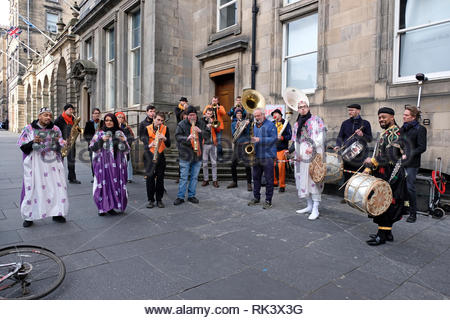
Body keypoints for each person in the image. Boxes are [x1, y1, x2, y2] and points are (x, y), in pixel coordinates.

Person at [363, 107, 408, 245]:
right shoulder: (387, 132)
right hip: (385, 171)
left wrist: (372, 162)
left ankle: (381, 236)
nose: (381, 119)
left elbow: (391, 154)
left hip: (391, 173)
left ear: (392, 117)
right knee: (386, 201)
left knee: (383, 202)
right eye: (379, 117)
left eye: (384, 117)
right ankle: (387, 233)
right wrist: (370, 168)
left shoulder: (395, 133)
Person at [18, 107, 68, 227]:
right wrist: (33, 142)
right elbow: (22, 146)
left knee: (57, 186)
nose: (48, 118)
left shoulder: (55, 129)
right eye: (45, 115)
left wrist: (61, 142)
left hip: (52, 163)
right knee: (32, 187)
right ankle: (29, 216)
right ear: (39, 116)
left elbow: (61, 144)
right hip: (35, 163)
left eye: (50, 115)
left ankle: (58, 212)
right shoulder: (28, 129)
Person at [288, 100, 325, 220]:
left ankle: (315, 208)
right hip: (301, 154)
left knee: (314, 179)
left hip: (314, 153)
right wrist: (294, 152)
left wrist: (313, 146)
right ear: (297, 109)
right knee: (302, 179)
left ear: (308, 108)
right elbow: (295, 141)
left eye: (304, 107)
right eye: (300, 107)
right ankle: (309, 205)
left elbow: (322, 135)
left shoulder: (317, 119)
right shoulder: (296, 124)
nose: (302, 109)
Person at [89, 114, 129, 216]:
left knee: (114, 185)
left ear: (114, 121)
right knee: (102, 185)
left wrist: (124, 141)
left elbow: (126, 150)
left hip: (117, 164)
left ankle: (111, 206)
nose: (108, 122)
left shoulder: (120, 133)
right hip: (103, 165)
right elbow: (93, 147)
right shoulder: (100, 133)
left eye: (111, 120)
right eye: (106, 120)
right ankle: (102, 207)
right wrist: (102, 140)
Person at [334, 104, 372, 202]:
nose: (349, 112)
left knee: (359, 175)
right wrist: (338, 145)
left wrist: (362, 134)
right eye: (349, 110)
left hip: (361, 154)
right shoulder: (345, 123)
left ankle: (358, 197)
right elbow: (340, 137)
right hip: (348, 153)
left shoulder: (366, 123)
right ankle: (347, 196)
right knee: (347, 174)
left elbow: (369, 139)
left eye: (352, 110)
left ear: (358, 111)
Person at [400, 105, 427, 223]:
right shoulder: (403, 127)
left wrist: (409, 153)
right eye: (404, 114)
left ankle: (413, 213)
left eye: (406, 115)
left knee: (410, 187)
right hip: (402, 161)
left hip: (412, 163)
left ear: (413, 117)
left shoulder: (420, 129)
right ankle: (403, 208)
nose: (403, 117)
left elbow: (422, 147)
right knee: (400, 186)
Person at [174, 106, 206, 205]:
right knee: (183, 177)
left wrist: (200, 131)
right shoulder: (181, 124)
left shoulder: (201, 123)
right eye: (190, 115)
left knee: (194, 177)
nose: (192, 117)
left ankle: (191, 196)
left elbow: (208, 135)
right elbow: (177, 137)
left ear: (196, 115)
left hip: (197, 154)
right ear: (187, 116)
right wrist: (187, 138)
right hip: (185, 155)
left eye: (194, 115)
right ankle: (180, 197)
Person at [247, 108, 277, 209]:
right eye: (255, 116)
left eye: (258, 116)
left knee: (269, 179)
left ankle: (268, 200)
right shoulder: (254, 126)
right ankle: (256, 197)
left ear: (263, 115)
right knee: (256, 178)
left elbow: (273, 139)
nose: (256, 118)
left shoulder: (271, 125)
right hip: (256, 155)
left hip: (268, 156)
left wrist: (259, 139)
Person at [143, 112, 171, 208]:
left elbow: (169, 144)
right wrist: (151, 144)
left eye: (162, 121)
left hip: (160, 155)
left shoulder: (165, 128)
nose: (160, 122)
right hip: (149, 155)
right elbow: (145, 144)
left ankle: (159, 199)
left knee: (160, 179)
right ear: (154, 119)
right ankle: (151, 200)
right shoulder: (147, 128)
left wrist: (165, 138)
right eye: (158, 120)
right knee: (150, 179)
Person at [54, 103, 81, 184]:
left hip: (71, 142)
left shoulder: (73, 119)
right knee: (59, 161)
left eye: (72, 109)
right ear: (64, 110)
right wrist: (61, 140)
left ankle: (72, 178)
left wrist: (77, 128)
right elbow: (54, 131)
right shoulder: (59, 119)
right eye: (69, 109)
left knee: (71, 160)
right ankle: (57, 178)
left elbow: (77, 128)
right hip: (61, 143)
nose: (71, 111)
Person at [227, 109, 252, 191]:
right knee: (233, 164)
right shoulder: (233, 123)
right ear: (235, 115)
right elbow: (234, 134)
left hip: (245, 144)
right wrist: (237, 127)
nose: (239, 114)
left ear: (242, 114)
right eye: (237, 113)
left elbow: (248, 132)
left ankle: (249, 183)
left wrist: (246, 125)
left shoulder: (246, 122)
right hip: (238, 145)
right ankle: (234, 182)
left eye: (240, 113)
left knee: (247, 165)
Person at [272, 109, 292, 193]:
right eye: (273, 114)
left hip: (282, 148)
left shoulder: (286, 123)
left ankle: (282, 185)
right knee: (271, 166)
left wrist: (283, 137)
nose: (274, 115)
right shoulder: (272, 123)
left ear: (280, 114)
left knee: (281, 168)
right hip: (272, 148)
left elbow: (290, 136)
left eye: (276, 113)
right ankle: (274, 182)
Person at [203, 96, 226, 161]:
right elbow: (204, 112)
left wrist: (218, 107)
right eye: (213, 101)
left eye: (215, 101)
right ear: (212, 100)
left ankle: (220, 156)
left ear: (217, 101)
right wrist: (210, 107)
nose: (214, 102)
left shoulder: (221, 107)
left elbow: (224, 113)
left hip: (219, 127)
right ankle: (211, 156)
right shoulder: (208, 106)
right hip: (211, 126)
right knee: (211, 141)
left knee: (218, 142)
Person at [201, 108, 219, 188]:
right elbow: (201, 131)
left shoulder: (214, 120)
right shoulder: (201, 121)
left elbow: (218, 129)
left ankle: (214, 180)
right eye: (208, 113)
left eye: (210, 114)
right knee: (205, 164)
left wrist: (212, 125)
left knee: (214, 163)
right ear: (205, 114)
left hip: (213, 143)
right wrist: (207, 127)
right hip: (205, 144)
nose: (209, 115)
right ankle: (206, 179)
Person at [116, 112, 135, 183]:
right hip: (116, 148)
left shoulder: (127, 127)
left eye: (122, 117)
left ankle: (129, 177)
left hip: (125, 148)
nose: (120, 119)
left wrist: (126, 143)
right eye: (119, 117)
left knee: (127, 162)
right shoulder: (113, 127)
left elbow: (131, 137)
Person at [84, 108, 102, 181]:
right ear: (92, 114)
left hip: (101, 145)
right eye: (95, 113)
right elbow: (85, 134)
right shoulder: (88, 123)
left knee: (101, 161)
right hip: (92, 145)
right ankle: (95, 176)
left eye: (98, 113)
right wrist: (91, 140)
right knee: (93, 161)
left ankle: (101, 176)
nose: (97, 114)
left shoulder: (103, 122)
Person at [139, 105, 156, 179]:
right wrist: (147, 142)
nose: (152, 113)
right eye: (150, 111)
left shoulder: (157, 121)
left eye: (154, 111)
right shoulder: (143, 123)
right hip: (148, 145)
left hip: (157, 145)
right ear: (147, 112)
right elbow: (141, 136)